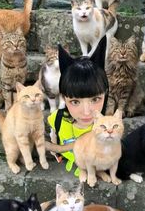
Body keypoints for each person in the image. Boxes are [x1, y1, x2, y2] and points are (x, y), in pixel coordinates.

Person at [45, 35, 109, 176]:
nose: (86, 112)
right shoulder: (57, 119)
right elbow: (54, 134)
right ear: (63, 98)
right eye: (75, 102)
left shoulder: (110, 127)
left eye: (95, 99)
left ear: (106, 94)